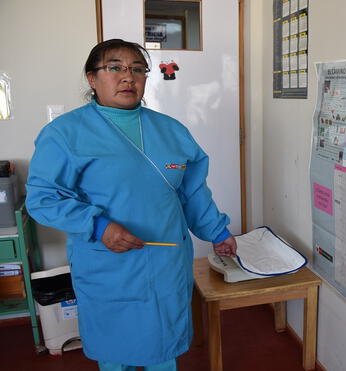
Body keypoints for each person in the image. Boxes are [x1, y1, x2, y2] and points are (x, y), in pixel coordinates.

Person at [26, 39, 237, 371]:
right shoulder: (64, 134)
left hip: (166, 260)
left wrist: (217, 231)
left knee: (164, 344)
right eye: (115, 67)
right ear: (91, 78)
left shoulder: (171, 131)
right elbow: (43, 199)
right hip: (109, 263)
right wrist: (99, 226)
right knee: (115, 349)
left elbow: (193, 192)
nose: (128, 77)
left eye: (137, 69)